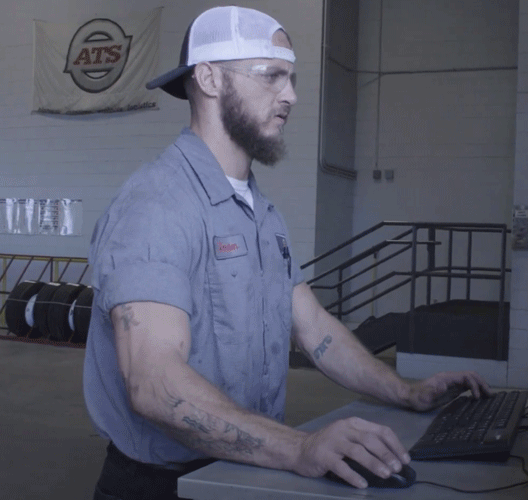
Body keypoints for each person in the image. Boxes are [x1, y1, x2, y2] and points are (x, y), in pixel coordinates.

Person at [83, 6, 490, 499]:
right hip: (162, 486)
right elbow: (153, 384)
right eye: (272, 76)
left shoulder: (260, 213)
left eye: (291, 78)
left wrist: (405, 391)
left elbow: (315, 330)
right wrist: (299, 448)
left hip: (242, 468)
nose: (291, 96)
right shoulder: (157, 206)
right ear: (209, 78)